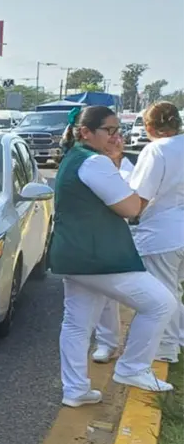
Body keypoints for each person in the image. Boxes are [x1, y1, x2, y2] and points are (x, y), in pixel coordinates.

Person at [50, 105, 176, 408]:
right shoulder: (96, 163)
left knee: (77, 324)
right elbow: (131, 208)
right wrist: (116, 161)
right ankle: (132, 368)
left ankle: (76, 390)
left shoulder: (74, 158)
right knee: (162, 304)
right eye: (109, 130)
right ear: (86, 132)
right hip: (100, 256)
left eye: (118, 130)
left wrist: (114, 160)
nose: (116, 137)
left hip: (75, 255)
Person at [128, 101, 184, 363]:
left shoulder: (156, 150)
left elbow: (140, 196)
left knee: (163, 293)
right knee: (175, 289)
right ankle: (176, 340)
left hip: (163, 232)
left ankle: (165, 349)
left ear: (149, 126)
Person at [91, 155, 136, 363]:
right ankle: (107, 343)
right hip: (105, 237)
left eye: (116, 135)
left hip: (140, 234)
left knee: (158, 293)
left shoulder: (133, 168)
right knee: (106, 292)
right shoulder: (90, 166)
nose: (114, 141)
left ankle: (169, 337)